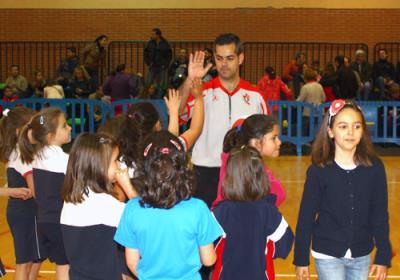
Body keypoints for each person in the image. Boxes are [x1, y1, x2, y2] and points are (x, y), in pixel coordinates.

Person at [294, 99, 392, 280]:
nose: (350, 132)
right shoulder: (318, 170)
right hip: (327, 253)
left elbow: (379, 214)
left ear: (363, 131)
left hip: (361, 253)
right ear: (330, 131)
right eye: (343, 126)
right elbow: (306, 217)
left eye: (356, 126)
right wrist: (301, 258)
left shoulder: (375, 168)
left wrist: (383, 255)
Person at [114, 130, 222, 279]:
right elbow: (209, 260)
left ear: (144, 170)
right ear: (185, 168)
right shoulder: (198, 208)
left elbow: (132, 263)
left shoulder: (132, 209)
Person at [179, 33, 268, 207]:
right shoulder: (202, 91)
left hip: (243, 172)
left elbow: (266, 138)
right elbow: (180, 113)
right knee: (206, 230)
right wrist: (189, 81)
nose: (224, 64)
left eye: (230, 58)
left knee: (238, 229)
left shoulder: (256, 96)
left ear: (241, 58)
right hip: (205, 171)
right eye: (219, 58)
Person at [60, 133, 137, 280]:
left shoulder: (74, 197)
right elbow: (146, 218)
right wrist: (127, 186)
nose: (120, 165)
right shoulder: (102, 204)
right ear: (99, 166)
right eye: (115, 160)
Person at [213, 145, 294, 280]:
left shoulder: (221, 212)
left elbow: (208, 246)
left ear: (229, 178)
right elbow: (284, 245)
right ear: (262, 177)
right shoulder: (268, 211)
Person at [19, 107, 72, 280]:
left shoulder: (38, 156)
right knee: (67, 266)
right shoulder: (63, 160)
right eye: (64, 126)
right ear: (50, 136)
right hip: (60, 220)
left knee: (63, 265)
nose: (70, 128)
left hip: (45, 220)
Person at [118, 81, 204, 181]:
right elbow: (195, 130)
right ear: (157, 124)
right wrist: (198, 98)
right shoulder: (167, 150)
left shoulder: (121, 159)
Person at [0, 107, 43, 280]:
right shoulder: (22, 154)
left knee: (36, 258)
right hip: (26, 213)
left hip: (25, 212)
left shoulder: (20, 152)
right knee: (24, 263)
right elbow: (34, 191)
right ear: (20, 131)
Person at [144, 28, 172, 98]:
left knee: (161, 84)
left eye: (153, 34)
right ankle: (147, 98)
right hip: (152, 66)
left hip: (162, 67)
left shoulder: (165, 44)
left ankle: (159, 99)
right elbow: (145, 53)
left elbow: (169, 55)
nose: (151, 35)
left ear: (158, 35)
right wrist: (148, 62)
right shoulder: (150, 43)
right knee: (148, 83)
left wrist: (165, 65)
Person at [296, 69, 326, 136]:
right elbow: (324, 99)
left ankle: (304, 143)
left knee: (304, 130)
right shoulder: (319, 86)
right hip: (319, 112)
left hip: (308, 113)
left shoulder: (305, 87)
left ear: (305, 78)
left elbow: (300, 100)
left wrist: (293, 103)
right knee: (317, 131)